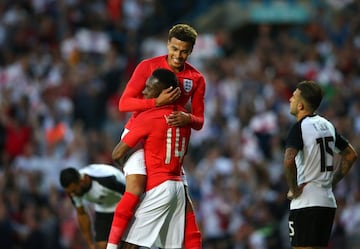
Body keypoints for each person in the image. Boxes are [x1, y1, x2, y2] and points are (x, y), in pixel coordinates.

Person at [107, 23, 204, 249]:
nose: (178, 55)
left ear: (191, 51)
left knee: (183, 200)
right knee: (136, 191)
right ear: (168, 44)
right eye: (175, 49)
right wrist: (154, 103)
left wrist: (188, 118)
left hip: (167, 138)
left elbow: (199, 120)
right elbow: (124, 103)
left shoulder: (196, 78)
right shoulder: (147, 66)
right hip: (140, 135)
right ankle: (112, 245)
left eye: (184, 51)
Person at [108, 68, 191, 249]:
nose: (144, 92)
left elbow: (116, 153)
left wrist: (130, 166)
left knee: (129, 245)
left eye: (149, 88)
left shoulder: (149, 117)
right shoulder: (185, 118)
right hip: (177, 188)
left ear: (165, 93)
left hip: (159, 188)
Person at [284, 80, 358, 249]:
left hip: (306, 203)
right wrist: (331, 181)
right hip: (327, 201)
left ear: (301, 105)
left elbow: (289, 160)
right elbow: (351, 155)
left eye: (294, 97)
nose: (290, 100)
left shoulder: (299, 128)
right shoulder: (328, 125)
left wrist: (294, 188)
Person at [59, 164, 126, 249]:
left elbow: (131, 194)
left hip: (124, 204)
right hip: (104, 208)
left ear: (82, 181)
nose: (72, 195)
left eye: (74, 191)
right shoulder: (73, 190)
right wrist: (90, 244)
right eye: (69, 192)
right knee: (102, 246)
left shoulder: (105, 180)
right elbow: (82, 214)